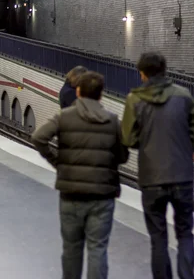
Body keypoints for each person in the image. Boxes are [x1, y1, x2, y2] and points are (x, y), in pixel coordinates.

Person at [31, 71, 129, 279]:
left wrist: (57, 162)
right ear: (101, 94)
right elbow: (122, 157)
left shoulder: (64, 117)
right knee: (98, 249)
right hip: (102, 196)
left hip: (71, 194)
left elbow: (39, 137)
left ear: (77, 91)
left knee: (72, 249)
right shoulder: (112, 121)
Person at [121, 52, 194, 279]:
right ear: (165, 71)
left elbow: (127, 138)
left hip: (151, 176)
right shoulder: (184, 96)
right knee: (185, 233)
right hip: (183, 175)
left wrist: (145, 143)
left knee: (158, 237)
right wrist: (182, 153)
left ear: (142, 74)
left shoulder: (134, 100)